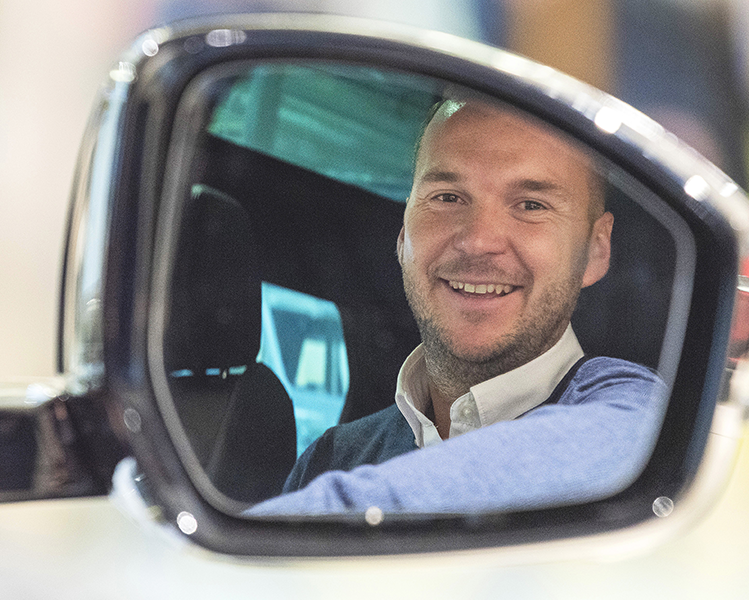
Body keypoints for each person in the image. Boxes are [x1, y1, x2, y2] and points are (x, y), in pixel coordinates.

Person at [246, 98, 666, 515]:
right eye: (447, 197)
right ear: (403, 233)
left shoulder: (633, 410)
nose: (479, 240)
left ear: (595, 249)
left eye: (531, 205)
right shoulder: (330, 457)